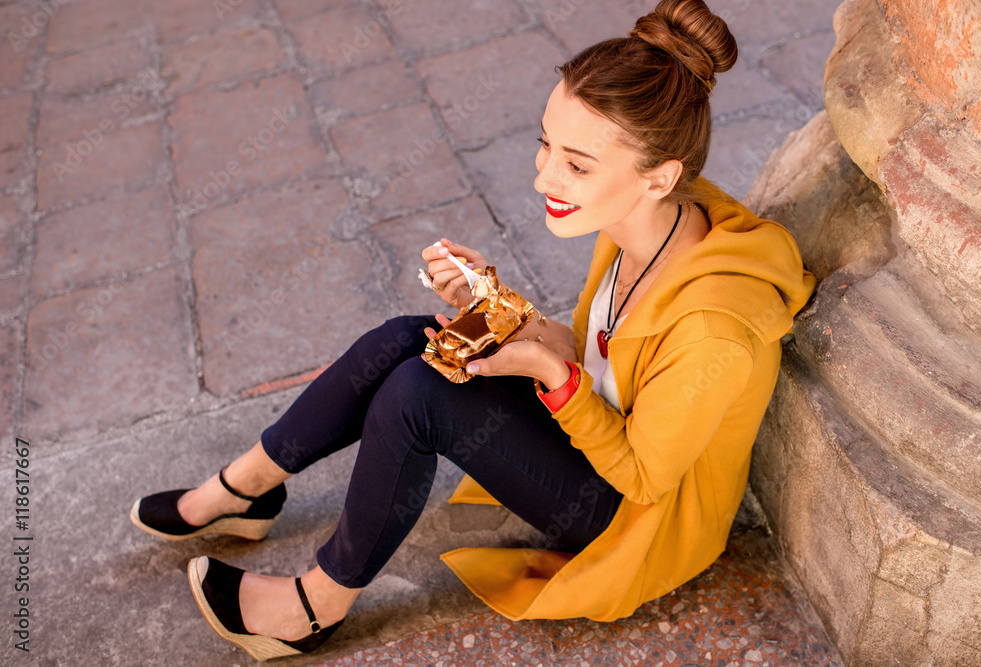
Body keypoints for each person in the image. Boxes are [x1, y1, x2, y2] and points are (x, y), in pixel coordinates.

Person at [129, 0, 816, 660]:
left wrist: (553, 376)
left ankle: (316, 602)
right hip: (602, 434)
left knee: (418, 396)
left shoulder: (713, 327)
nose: (546, 174)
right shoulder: (643, 222)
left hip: (632, 516)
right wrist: (493, 300)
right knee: (410, 337)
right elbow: (604, 353)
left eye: (578, 165)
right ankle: (247, 487)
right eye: (547, 145)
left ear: (660, 176)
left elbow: (641, 474)